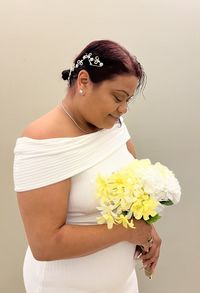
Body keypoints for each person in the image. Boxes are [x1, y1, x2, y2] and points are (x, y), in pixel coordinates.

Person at [13, 39, 161, 293]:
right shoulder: (42, 140)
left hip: (122, 284)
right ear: (83, 81)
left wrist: (148, 229)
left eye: (128, 100)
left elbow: (134, 181)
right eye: (117, 97)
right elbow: (45, 245)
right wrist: (128, 232)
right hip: (64, 286)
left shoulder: (113, 125)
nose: (123, 109)